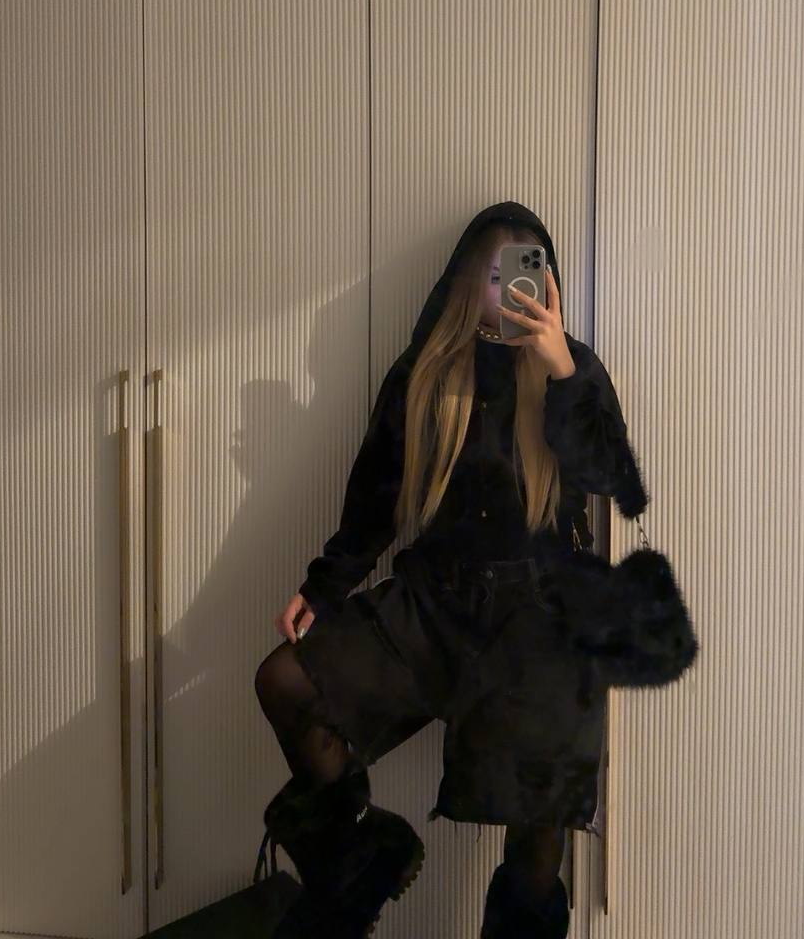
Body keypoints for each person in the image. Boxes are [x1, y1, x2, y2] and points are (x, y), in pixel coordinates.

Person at [253, 200, 654, 938]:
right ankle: (361, 850)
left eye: (526, 275)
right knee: (285, 680)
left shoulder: (571, 367)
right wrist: (324, 586)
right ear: (469, 281)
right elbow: (375, 498)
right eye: (497, 276)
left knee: (539, 845)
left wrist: (561, 369)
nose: (511, 292)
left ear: (548, 283)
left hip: (542, 620)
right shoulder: (425, 371)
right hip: (434, 605)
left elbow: (609, 477)